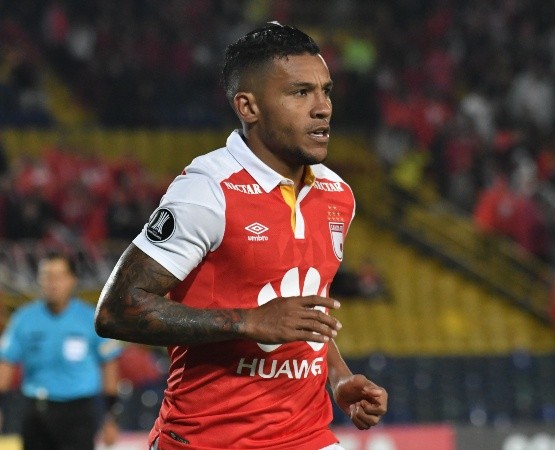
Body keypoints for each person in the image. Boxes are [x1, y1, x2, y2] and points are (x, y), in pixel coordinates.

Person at [95, 22, 388, 450]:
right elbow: (116, 310)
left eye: (325, 91)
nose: (323, 108)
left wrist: (339, 378)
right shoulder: (207, 190)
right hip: (207, 439)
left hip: (306, 436)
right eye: (300, 93)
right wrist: (249, 322)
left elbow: (301, 310)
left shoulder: (337, 194)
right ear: (248, 107)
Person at [0, 252, 122, 450]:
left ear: (72, 280)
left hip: (78, 413)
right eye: (47, 276)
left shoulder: (91, 318)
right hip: (36, 411)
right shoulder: (23, 319)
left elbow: (109, 365)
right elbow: (6, 363)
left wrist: (111, 416)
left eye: (58, 276)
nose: (52, 283)